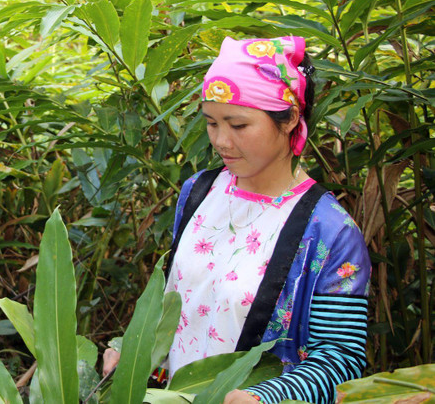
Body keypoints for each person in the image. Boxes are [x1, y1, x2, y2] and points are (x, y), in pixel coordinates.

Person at [105, 36, 370, 404]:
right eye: (212, 123)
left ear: (290, 118)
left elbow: (342, 358)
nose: (221, 141)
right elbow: (178, 300)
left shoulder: (329, 230)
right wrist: (132, 351)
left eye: (239, 125)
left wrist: (267, 396)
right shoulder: (199, 191)